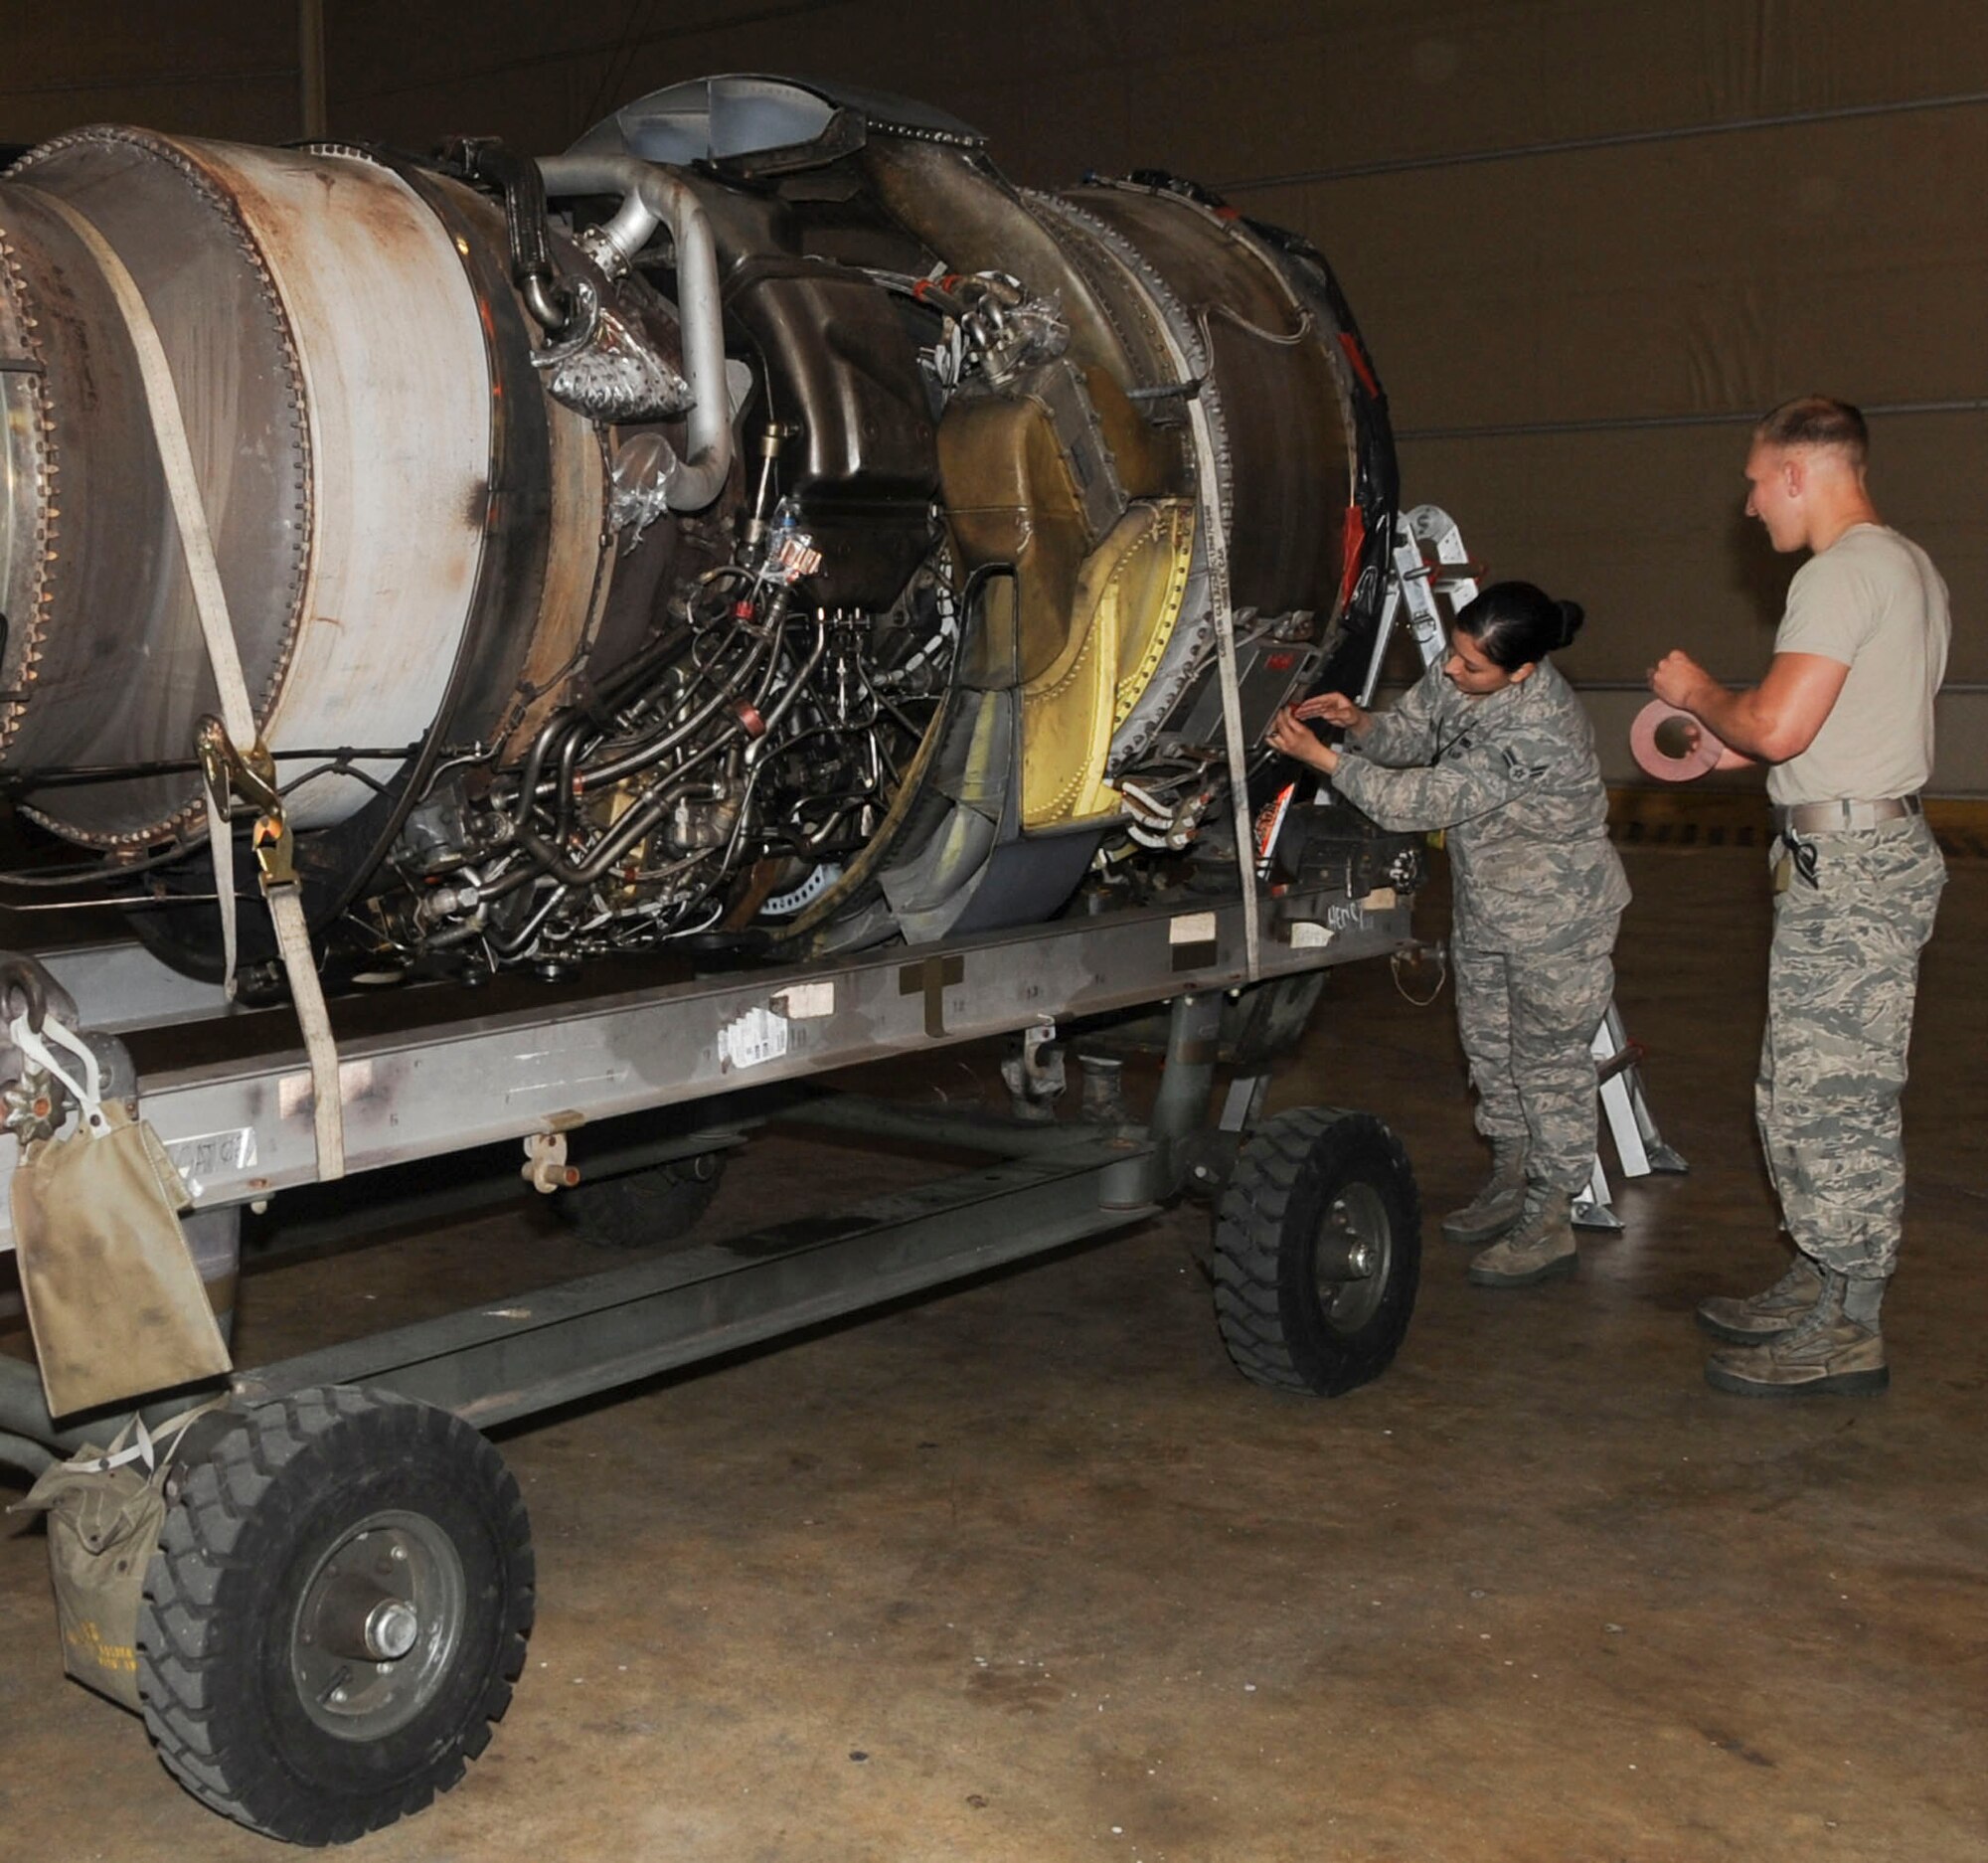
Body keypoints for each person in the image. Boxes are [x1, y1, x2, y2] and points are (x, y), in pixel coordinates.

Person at [1649, 395, 1947, 1398]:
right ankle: (1821, 1275)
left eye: (1751, 480)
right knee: (1802, 1087)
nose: (1745, 507)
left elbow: (1778, 724)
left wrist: (1696, 691)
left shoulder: (1836, 574)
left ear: (1794, 473)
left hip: (1850, 874)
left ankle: (1849, 1323)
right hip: (1858, 851)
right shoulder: (1903, 565)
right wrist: (1727, 741)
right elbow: (1812, 732)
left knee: (1834, 1100)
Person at [1266, 582, 1629, 1288]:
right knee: (1489, 1047)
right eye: (1455, 656)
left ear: (1521, 671)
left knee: (1548, 1064)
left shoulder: (1540, 727)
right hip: (1491, 902)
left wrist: (1324, 759)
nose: (1454, 671)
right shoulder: (1466, 664)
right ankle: (1511, 1174)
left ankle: (1552, 1213)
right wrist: (1360, 723)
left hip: (1558, 916)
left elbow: (1419, 800)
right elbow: (1414, 733)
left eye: (1473, 668)